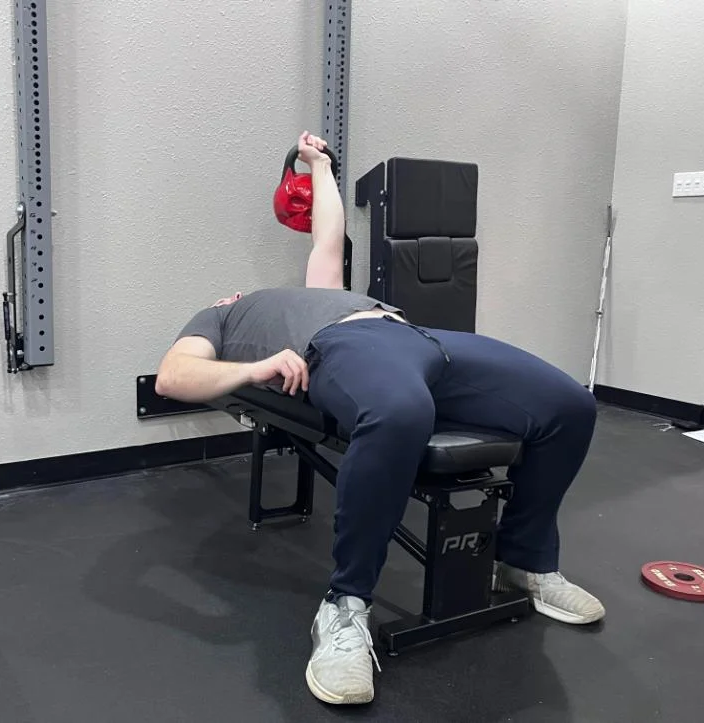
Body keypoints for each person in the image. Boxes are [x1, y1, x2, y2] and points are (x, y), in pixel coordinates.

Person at [156, 131, 605, 706]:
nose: (236, 291)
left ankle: (522, 561)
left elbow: (328, 234)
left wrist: (317, 164)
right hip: (340, 351)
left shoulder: (316, 291)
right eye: (229, 296)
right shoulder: (222, 319)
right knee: (400, 413)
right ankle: (344, 608)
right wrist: (255, 368)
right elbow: (174, 376)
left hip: (411, 334)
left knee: (569, 405)